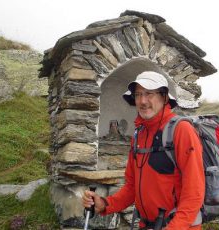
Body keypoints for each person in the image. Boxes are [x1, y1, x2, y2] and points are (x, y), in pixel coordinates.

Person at [82, 71, 205, 229]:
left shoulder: (182, 130)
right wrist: (105, 204)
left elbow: (194, 193)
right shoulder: (139, 133)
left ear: (164, 97)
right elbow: (132, 187)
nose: (142, 101)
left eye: (149, 94)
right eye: (138, 94)